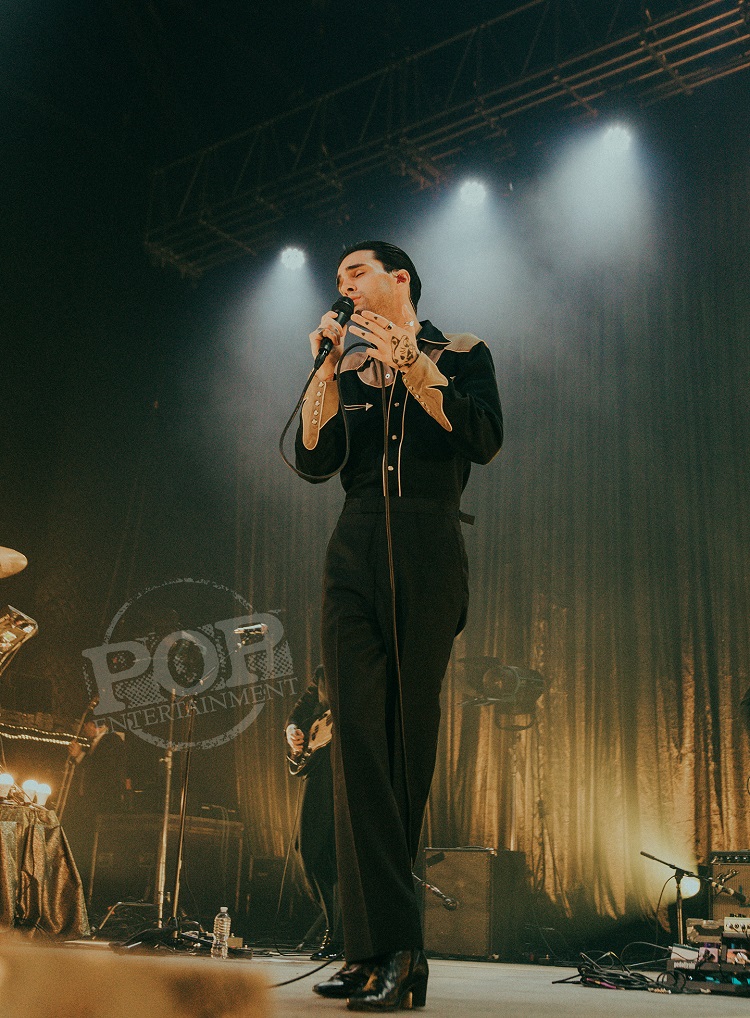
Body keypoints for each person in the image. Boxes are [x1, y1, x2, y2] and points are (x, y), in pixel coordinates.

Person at [294, 241, 503, 1010]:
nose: (344, 285)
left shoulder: (463, 351)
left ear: (398, 278)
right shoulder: (343, 368)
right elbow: (313, 460)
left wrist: (413, 365)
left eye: (356, 272)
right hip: (353, 546)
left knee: (403, 748)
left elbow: (482, 437)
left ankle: (391, 952)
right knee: (355, 745)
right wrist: (324, 369)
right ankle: (382, 949)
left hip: (428, 543)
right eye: (338, 277)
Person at [285, 664, 342, 960]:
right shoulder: (324, 671)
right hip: (320, 769)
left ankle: (339, 934)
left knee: (338, 852)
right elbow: (299, 712)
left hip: (351, 770)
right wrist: (292, 731)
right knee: (308, 848)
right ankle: (338, 928)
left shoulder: (372, 666)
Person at [64, 718, 126, 897]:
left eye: (86, 725)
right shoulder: (98, 743)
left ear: (95, 725)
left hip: (102, 806)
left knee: (94, 847)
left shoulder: (111, 741)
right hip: (90, 805)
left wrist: (80, 756)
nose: (84, 728)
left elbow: (102, 770)